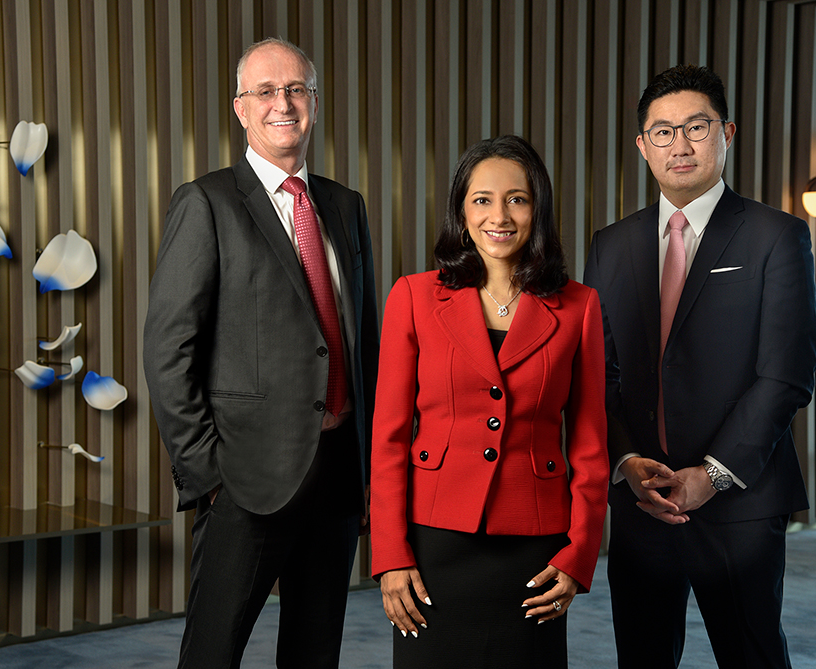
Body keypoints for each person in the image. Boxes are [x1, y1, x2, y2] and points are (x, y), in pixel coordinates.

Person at [143, 37, 379, 669]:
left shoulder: (344, 207)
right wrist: (206, 473)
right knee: (212, 654)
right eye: (267, 91)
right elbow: (168, 347)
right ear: (241, 109)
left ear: (316, 103)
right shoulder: (208, 202)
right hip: (242, 481)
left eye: (296, 89)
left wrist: (368, 470)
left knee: (314, 652)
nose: (284, 103)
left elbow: (366, 346)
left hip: (335, 474)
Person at [583, 64, 816, 668]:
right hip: (643, 499)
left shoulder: (776, 236)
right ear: (642, 146)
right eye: (662, 132)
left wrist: (710, 475)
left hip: (739, 499)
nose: (679, 144)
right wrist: (628, 462)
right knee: (642, 655)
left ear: (727, 132)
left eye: (696, 126)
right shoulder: (610, 244)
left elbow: (787, 375)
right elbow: (599, 371)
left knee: (752, 654)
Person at [370, 135, 609, 668]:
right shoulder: (412, 297)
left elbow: (591, 445)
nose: (499, 215)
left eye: (517, 199)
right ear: (461, 210)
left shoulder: (580, 307)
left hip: (537, 547)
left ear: (537, 210)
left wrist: (579, 554)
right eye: (482, 199)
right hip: (434, 542)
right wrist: (389, 555)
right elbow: (387, 439)